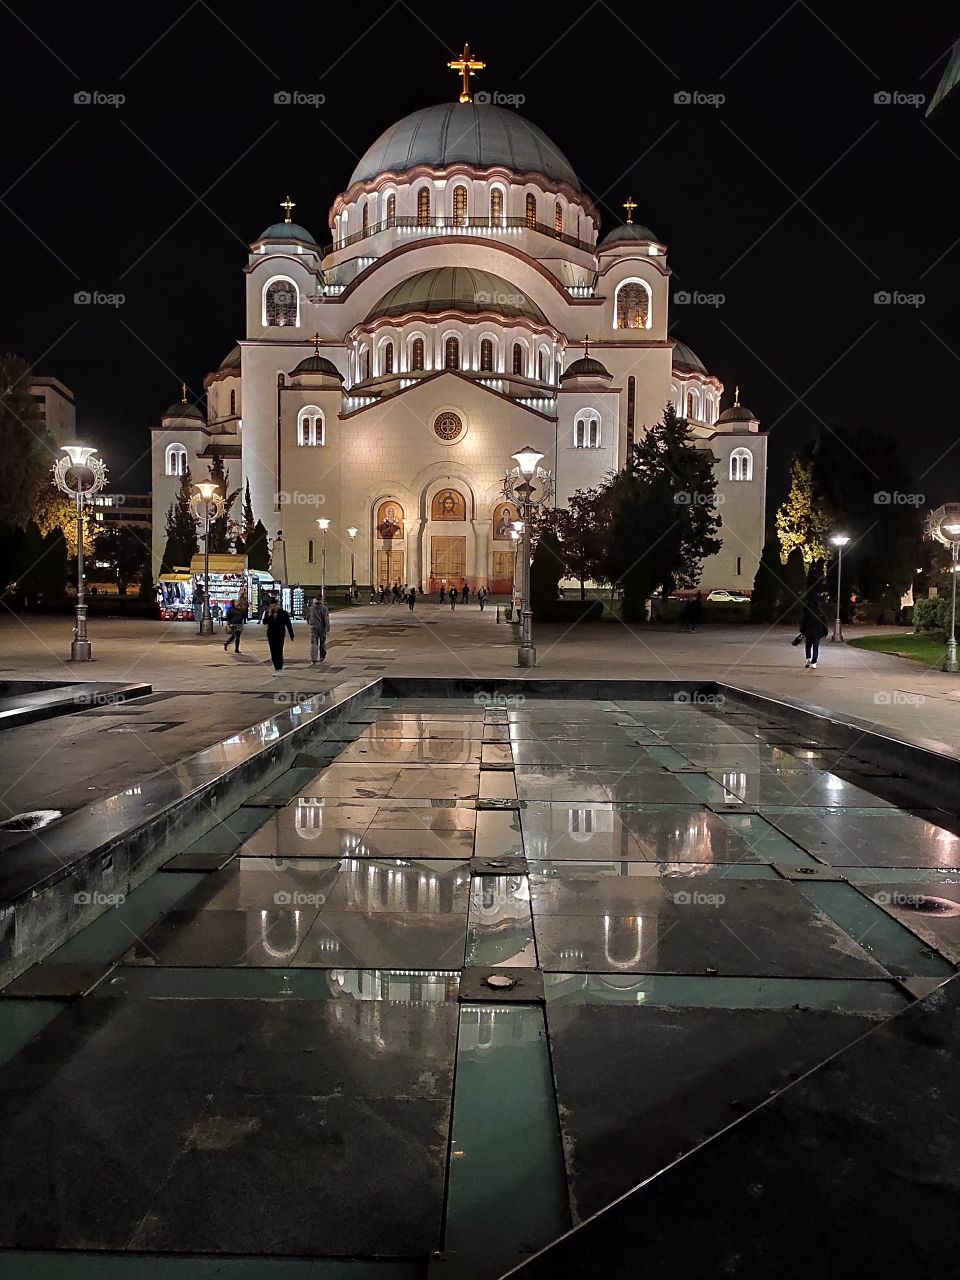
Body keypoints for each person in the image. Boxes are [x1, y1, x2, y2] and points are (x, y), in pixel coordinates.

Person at [260, 594, 294, 674]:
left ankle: (280, 667)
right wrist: (269, 615)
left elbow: (288, 624)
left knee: (279, 651)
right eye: (271, 606)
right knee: (273, 651)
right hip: (271, 634)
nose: (272, 608)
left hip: (280, 634)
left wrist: (291, 634)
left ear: (277, 605)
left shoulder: (283, 613)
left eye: (274, 606)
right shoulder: (268, 612)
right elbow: (264, 622)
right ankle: (276, 667)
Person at [800, 594, 829, 669]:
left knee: (808, 646)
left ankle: (808, 658)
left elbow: (803, 623)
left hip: (808, 633)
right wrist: (825, 633)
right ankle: (814, 662)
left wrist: (802, 631)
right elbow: (824, 624)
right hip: (818, 633)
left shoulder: (807, 613)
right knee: (816, 648)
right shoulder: (821, 613)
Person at [223, 588, 248, 653]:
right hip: (234, 624)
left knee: (235, 636)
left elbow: (245, 608)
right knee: (237, 636)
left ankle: (227, 643)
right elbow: (228, 617)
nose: (237, 602)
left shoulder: (240, 608)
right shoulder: (230, 609)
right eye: (235, 602)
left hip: (239, 624)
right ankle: (236, 649)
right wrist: (229, 624)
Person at [308, 593, 330, 664]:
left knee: (314, 642)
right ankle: (322, 656)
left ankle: (313, 658)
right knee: (322, 642)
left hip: (313, 627)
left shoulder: (311, 607)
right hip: (321, 628)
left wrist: (309, 622)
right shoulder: (324, 608)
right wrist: (327, 628)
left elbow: (308, 615)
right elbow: (326, 618)